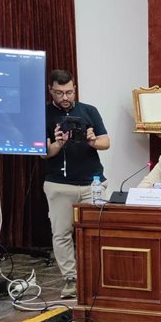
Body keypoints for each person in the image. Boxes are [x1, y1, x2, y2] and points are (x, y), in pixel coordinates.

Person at [44, 69, 110, 299]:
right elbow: (43, 154)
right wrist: (59, 143)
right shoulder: (43, 114)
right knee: (61, 233)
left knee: (96, 231)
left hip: (92, 182)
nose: (65, 97)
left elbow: (106, 142)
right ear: (50, 90)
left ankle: (96, 277)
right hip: (59, 184)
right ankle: (70, 280)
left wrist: (92, 140)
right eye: (59, 92)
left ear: (75, 89)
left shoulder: (89, 111)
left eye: (69, 92)